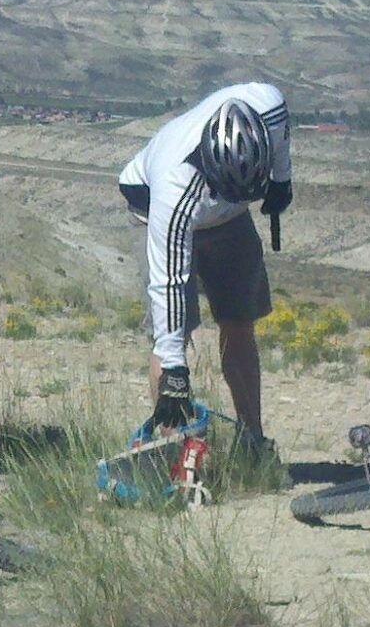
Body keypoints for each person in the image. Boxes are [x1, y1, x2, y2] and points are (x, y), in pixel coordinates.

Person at [119, 83, 291, 444]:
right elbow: (167, 283)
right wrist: (174, 372)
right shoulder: (174, 188)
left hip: (226, 220)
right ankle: (176, 452)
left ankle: (252, 440)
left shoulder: (269, 107)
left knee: (239, 319)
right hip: (152, 208)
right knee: (173, 339)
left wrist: (280, 180)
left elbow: (281, 142)